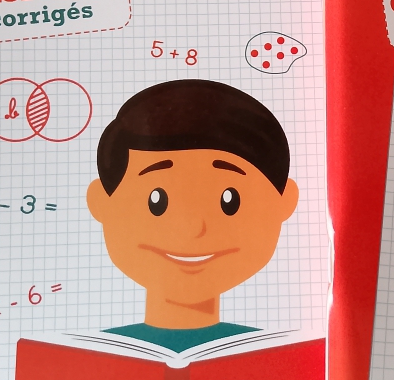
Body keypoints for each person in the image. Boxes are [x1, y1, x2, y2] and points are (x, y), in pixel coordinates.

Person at [86, 79, 298, 352]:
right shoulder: (92, 351)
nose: (194, 228)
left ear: (284, 202)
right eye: (157, 201)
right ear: (101, 203)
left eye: (229, 201)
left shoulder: (274, 351)